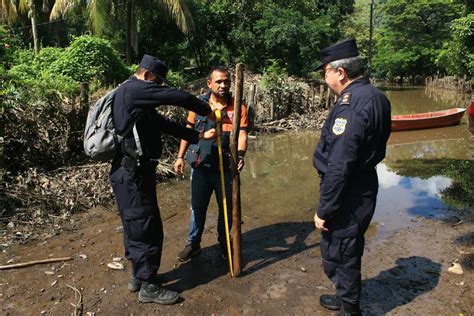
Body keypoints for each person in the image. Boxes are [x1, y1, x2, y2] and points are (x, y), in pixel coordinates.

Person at [110, 54, 214, 305]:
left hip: (132, 173)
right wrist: (206, 108)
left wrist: (195, 136)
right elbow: (176, 96)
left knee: (137, 225)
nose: (158, 89)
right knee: (146, 227)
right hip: (132, 174)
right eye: (157, 83)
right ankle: (148, 286)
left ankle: (138, 275)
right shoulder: (134, 89)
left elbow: (163, 124)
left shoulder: (135, 101)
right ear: (146, 75)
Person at [312, 39, 391, 315]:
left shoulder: (351, 104)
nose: (325, 78)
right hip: (364, 184)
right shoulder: (377, 96)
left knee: (341, 250)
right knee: (349, 245)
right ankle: (346, 299)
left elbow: (339, 165)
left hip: (349, 191)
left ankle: (350, 308)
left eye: (326, 72)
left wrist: (324, 209)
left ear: (340, 72)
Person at [173, 66, 248, 262]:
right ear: (209, 83)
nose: (223, 85)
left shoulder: (237, 106)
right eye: (219, 81)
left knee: (227, 209)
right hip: (201, 167)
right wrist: (180, 156)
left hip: (225, 169)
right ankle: (193, 244)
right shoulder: (198, 105)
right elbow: (188, 131)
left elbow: (241, 134)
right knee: (197, 208)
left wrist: (240, 156)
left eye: (226, 82)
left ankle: (225, 244)